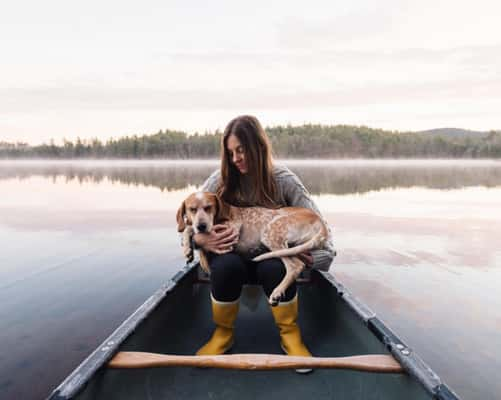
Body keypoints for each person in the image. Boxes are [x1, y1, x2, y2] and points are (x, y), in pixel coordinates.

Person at [192, 115, 335, 372]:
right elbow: (188, 220)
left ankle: (290, 336)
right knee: (225, 265)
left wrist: (312, 259)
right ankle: (223, 335)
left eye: (242, 149)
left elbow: (328, 244)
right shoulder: (219, 182)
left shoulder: (284, 181)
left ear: (259, 146)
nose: (236, 158)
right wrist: (199, 239)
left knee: (274, 267)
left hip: (271, 266)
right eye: (231, 152)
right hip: (234, 263)